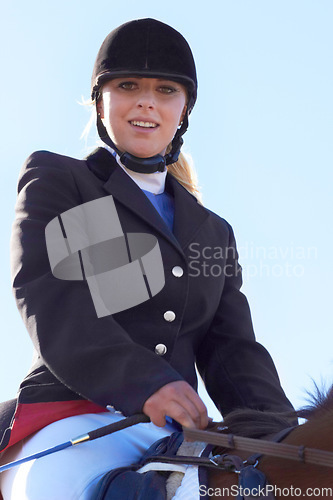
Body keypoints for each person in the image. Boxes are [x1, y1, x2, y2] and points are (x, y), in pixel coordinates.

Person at [0, 18, 295, 499]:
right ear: (101, 101)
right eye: (128, 86)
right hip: (73, 420)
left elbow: (232, 350)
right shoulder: (64, 183)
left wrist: (282, 434)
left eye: (165, 90)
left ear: (184, 110)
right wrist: (144, 382)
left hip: (176, 431)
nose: (146, 102)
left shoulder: (212, 233)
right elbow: (52, 297)